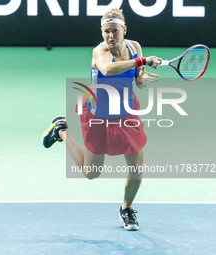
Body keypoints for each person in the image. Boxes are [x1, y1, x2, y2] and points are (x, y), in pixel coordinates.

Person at [42, 8, 162, 231]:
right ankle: (61, 129)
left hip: (126, 113)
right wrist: (141, 62)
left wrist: (142, 75)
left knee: (136, 170)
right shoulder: (100, 52)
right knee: (91, 173)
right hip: (99, 116)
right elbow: (108, 69)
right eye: (106, 31)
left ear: (124, 30)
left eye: (115, 31)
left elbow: (138, 79)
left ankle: (126, 209)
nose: (110, 36)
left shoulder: (134, 47)